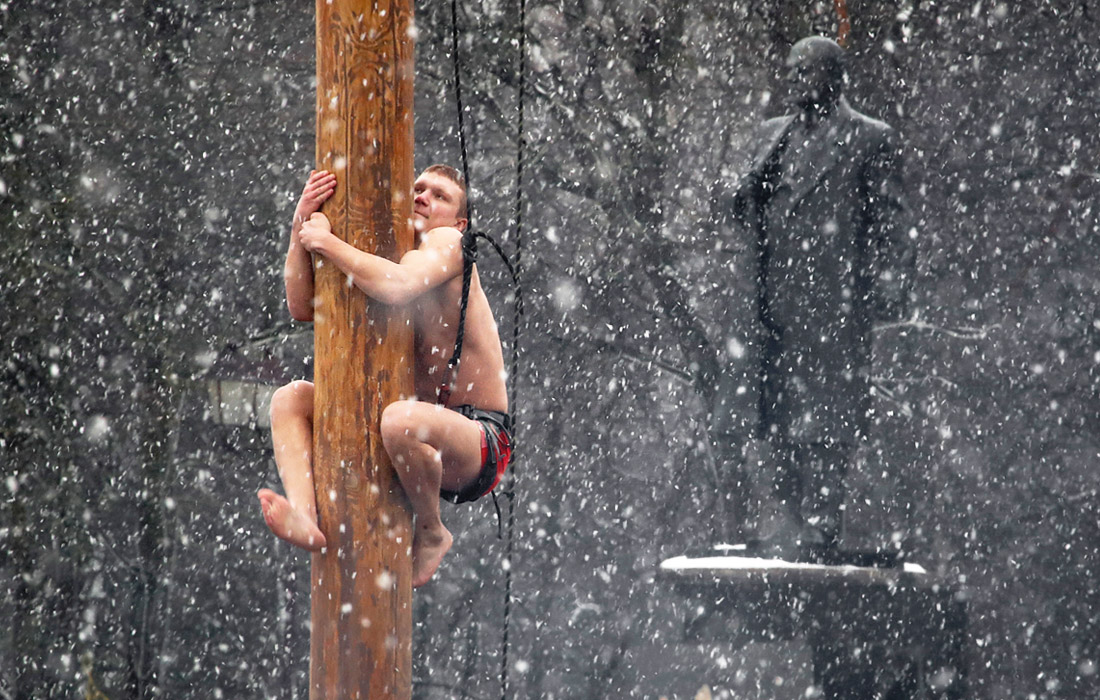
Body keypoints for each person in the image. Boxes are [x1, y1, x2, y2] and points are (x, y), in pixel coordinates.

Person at [257, 165, 512, 587]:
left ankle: (432, 530)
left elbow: (398, 286)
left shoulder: (448, 243)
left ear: (460, 222)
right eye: (417, 188)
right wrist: (301, 224)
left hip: (477, 436)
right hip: (413, 430)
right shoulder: (384, 255)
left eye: (440, 195)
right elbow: (303, 306)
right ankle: (306, 516)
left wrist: (328, 242)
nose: (423, 197)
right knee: (290, 399)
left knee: (399, 420)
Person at [712, 37, 914, 555]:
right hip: (769, 307)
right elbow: (740, 212)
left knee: (828, 422)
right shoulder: (771, 137)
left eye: (808, 73)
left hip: (832, 305)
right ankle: (787, 520)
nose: (797, 82)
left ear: (834, 78)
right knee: (773, 418)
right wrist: (741, 191)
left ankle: (821, 525)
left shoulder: (869, 139)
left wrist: (886, 293)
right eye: (792, 72)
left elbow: (892, 224)